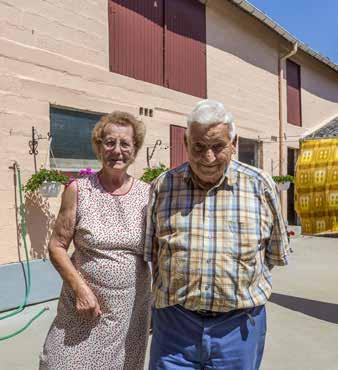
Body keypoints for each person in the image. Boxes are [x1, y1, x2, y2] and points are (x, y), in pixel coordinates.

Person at [145, 100, 290, 370]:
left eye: (218, 146)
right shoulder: (163, 186)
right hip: (174, 327)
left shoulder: (260, 185)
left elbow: (273, 252)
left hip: (239, 328)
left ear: (233, 143)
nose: (208, 157)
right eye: (199, 147)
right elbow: (152, 252)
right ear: (186, 143)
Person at [40, 112, 151, 370]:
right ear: (99, 146)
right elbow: (56, 246)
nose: (117, 150)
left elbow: (155, 253)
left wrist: (156, 306)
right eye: (109, 142)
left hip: (130, 311)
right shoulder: (79, 190)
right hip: (82, 307)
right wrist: (80, 289)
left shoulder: (148, 194)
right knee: (60, 362)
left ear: (135, 150)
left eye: (125, 144)